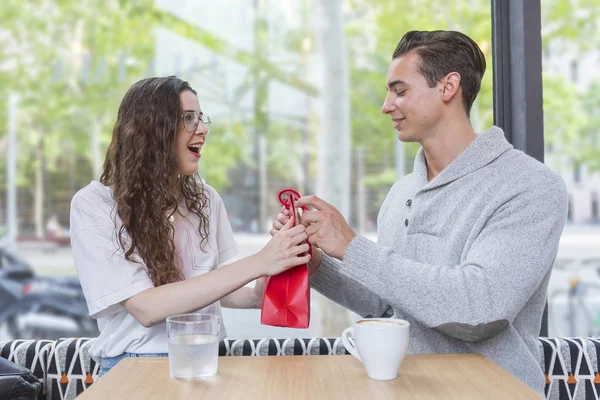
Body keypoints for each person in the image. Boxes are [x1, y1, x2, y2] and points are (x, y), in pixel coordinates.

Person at [270, 30, 568, 396]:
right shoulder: (401, 194)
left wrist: (351, 245)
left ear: (448, 87)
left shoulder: (530, 186)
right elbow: (386, 304)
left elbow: (481, 308)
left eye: (400, 91)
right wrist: (317, 263)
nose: (386, 105)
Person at [70, 76, 310, 377]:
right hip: (133, 369)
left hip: (207, 361)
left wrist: (278, 261)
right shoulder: (95, 204)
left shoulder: (206, 199)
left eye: (200, 118)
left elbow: (214, 289)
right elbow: (146, 308)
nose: (202, 129)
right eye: (187, 119)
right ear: (152, 130)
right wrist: (260, 261)